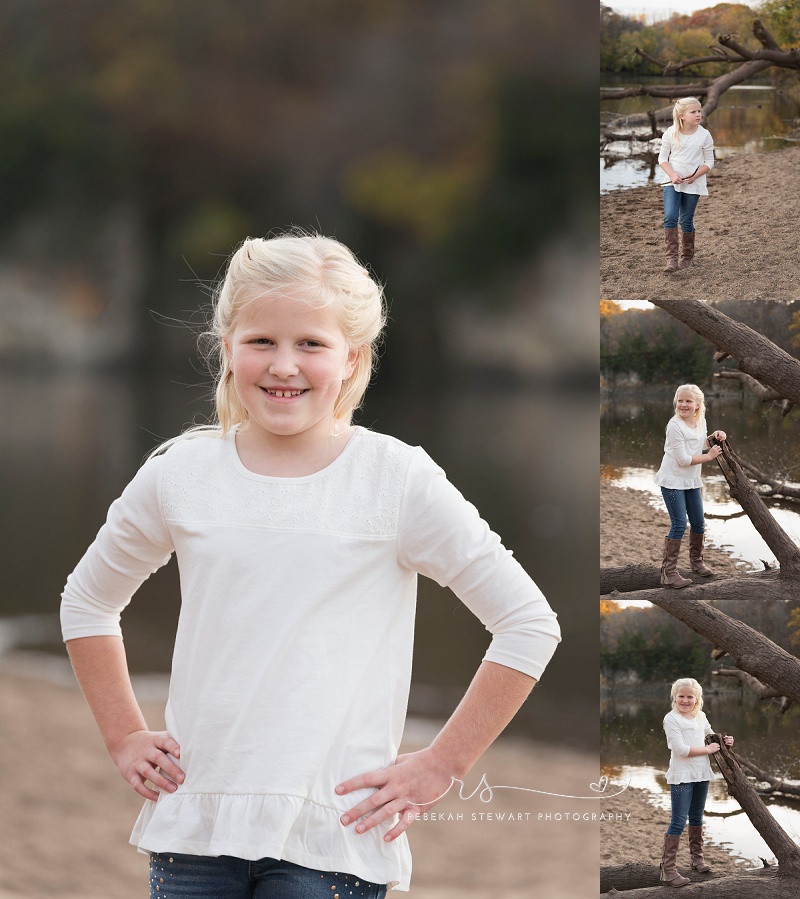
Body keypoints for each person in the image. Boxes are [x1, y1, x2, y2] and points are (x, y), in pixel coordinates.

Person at [60, 232, 561, 897]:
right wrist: (123, 732)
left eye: (311, 344)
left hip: (333, 834)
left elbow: (528, 623)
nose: (284, 365)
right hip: (194, 821)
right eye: (261, 341)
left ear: (351, 357)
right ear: (228, 345)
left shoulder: (395, 479)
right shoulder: (181, 474)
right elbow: (88, 600)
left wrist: (443, 762)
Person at [660, 678, 734, 887]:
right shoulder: (671, 719)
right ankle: (669, 870)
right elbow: (681, 750)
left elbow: (710, 737)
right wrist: (708, 750)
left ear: (697, 699)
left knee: (697, 816)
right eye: (681, 696)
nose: (685, 700)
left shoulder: (700, 716)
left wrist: (724, 740)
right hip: (682, 776)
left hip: (701, 774)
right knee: (677, 821)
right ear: (674, 697)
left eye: (689, 696)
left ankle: (697, 858)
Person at [654, 384, 726, 588]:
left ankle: (696, 562)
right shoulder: (674, 425)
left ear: (697, 405)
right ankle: (669, 573)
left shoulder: (700, 420)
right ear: (676, 402)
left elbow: (700, 443)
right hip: (672, 481)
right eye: (680, 400)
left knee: (698, 522)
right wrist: (709, 457)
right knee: (679, 524)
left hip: (690, 481)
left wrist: (715, 436)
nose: (683, 404)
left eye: (688, 401)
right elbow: (683, 459)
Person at [658, 96, 715, 272]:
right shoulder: (670, 132)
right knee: (670, 216)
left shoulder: (704, 134)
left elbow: (709, 161)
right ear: (682, 115)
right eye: (693, 112)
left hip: (693, 183)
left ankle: (687, 257)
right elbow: (662, 159)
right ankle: (671, 260)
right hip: (671, 182)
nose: (698, 114)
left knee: (686, 221)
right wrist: (673, 174)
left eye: (699, 111)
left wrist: (696, 175)